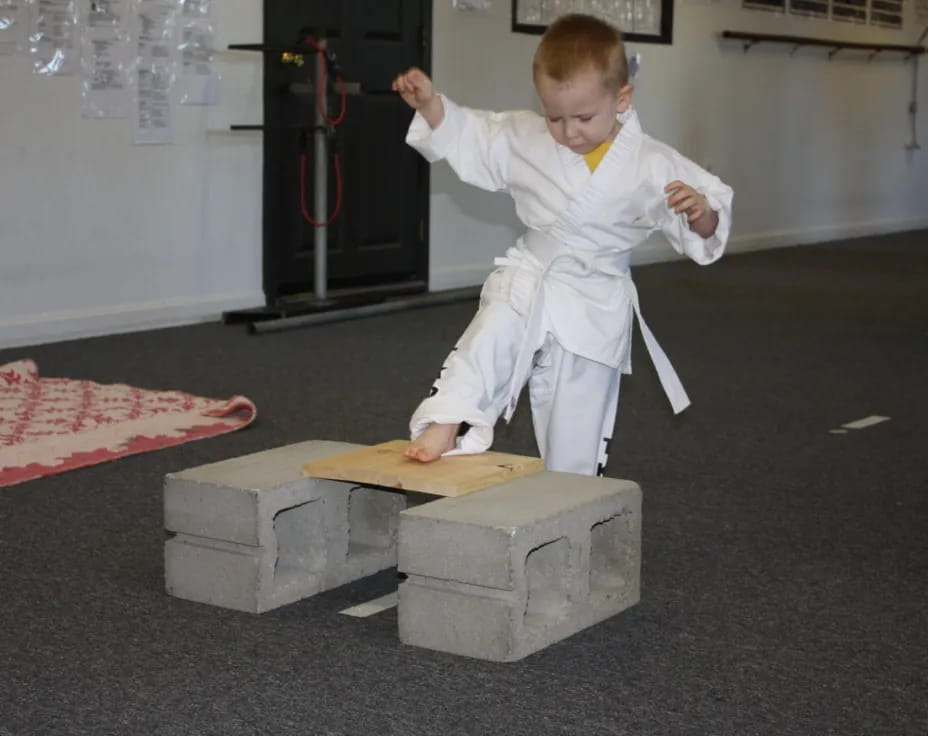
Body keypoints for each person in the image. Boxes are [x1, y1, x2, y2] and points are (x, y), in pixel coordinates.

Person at [391, 13, 733, 476]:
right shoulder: (525, 137)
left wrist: (702, 213)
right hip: (533, 270)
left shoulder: (652, 162)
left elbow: (707, 223)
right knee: (491, 333)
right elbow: (472, 136)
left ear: (622, 98)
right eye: (555, 117)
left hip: (596, 296)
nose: (569, 132)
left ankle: (570, 488)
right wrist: (431, 105)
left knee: (577, 421)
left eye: (584, 117)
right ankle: (446, 421)